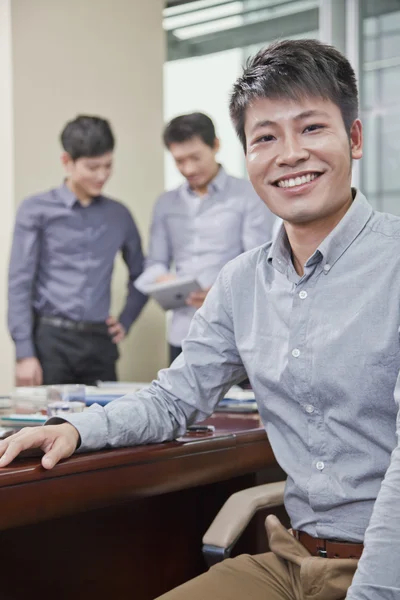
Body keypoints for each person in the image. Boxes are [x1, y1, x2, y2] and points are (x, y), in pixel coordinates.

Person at [1, 38, 399, 599]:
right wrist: (74, 429)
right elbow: (173, 400)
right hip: (289, 561)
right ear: (246, 155)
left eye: (311, 128)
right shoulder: (240, 283)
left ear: (354, 139)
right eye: (265, 137)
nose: (288, 154)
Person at [8, 115, 147, 387]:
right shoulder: (36, 210)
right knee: (49, 427)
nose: (102, 175)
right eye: (92, 167)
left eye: (108, 165)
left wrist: (126, 319)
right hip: (50, 342)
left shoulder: (119, 215)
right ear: (67, 162)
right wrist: (24, 353)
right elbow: (19, 283)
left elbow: (142, 273)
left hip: (99, 344)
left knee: (106, 426)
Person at [134, 112, 275, 364]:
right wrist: (164, 281)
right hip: (182, 333)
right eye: (179, 161)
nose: (188, 169)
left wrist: (220, 294)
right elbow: (155, 262)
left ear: (216, 146)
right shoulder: (166, 204)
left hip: (233, 333)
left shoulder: (248, 195)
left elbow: (259, 263)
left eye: (195, 158)